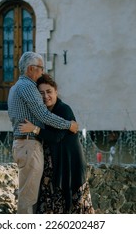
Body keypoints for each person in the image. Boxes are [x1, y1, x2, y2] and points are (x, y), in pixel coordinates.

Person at [7, 51, 79, 214]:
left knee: (29, 195)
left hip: (23, 144)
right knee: (29, 198)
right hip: (29, 145)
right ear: (31, 69)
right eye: (40, 68)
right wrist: (69, 125)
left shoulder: (15, 87)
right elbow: (43, 115)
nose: (42, 72)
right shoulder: (27, 86)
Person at [19, 73, 94, 214]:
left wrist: (34, 129)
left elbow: (57, 137)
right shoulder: (43, 112)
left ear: (56, 92)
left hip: (69, 163)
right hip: (53, 163)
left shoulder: (63, 109)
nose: (45, 96)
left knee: (72, 206)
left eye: (49, 92)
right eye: (41, 93)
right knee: (50, 202)